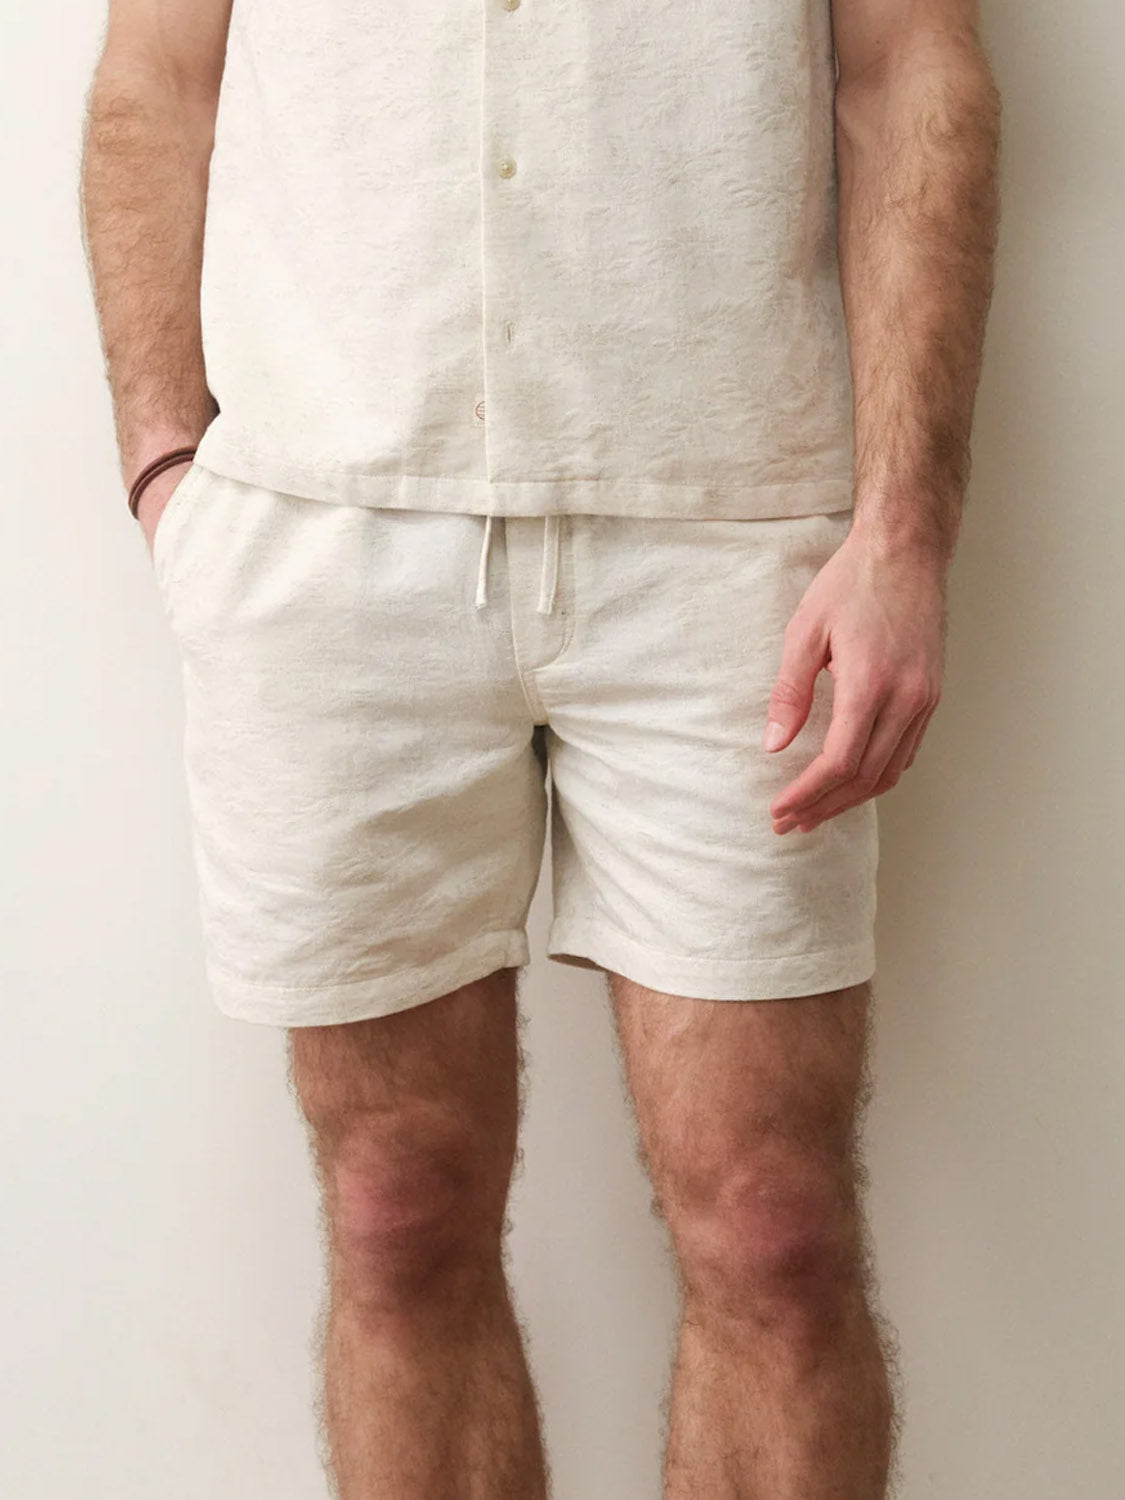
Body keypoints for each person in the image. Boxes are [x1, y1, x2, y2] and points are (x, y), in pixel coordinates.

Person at [79, 0, 1000, 1492]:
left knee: (772, 1222)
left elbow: (912, 69)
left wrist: (905, 528)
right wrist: (165, 464)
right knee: (397, 1206)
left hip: (729, 541)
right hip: (328, 536)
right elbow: (157, 77)